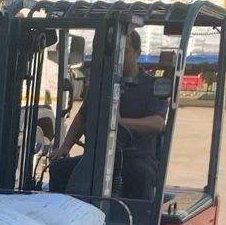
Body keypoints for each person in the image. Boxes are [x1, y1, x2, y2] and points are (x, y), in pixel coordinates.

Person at [48, 30, 167, 200]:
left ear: (138, 53)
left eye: (124, 51)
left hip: (134, 157)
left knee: (140, 174)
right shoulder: (102, 85)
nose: (118, 56)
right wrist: (65, 146)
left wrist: (119, 122)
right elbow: (82, 116)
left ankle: (134, 217)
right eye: (115, 51)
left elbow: (157, 123)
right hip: (98, 156)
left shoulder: (151, 85)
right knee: (59, 168)